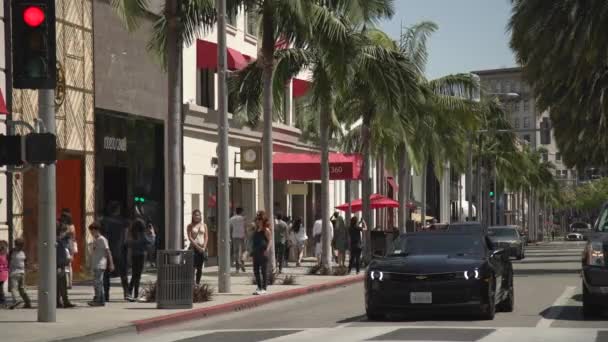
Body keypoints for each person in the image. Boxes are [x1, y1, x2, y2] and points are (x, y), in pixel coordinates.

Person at [101, 202, 129, 301]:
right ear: (118, 210)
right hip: (120, 250)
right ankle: (126, 293)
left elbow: (103, 236)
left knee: (106, 274)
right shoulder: (123, 222)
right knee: (123, 273)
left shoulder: (104, 221)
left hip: (108, 249)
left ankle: (106, 294)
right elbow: (126, 237)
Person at [88, 222, 114, 307]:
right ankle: (97, 298)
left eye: (92, 231)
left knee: (98, 283)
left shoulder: (102, 239)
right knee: (96, 283)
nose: (91, 233)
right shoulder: (95, 240)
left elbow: (108, 251)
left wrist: (111, 264)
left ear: (97, 230)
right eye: (90, 231)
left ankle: (100, 300)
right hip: (95, 264)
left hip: (100, 264)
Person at [127, 218, 151, 301]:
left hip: (134, 255)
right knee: (138, 275)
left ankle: (129, 291)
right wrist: (153, 234)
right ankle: (136, 294)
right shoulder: (143, 234)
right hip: (141, 255)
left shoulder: (132, 234)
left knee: (134, 275)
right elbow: (149, 242)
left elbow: (129, 244)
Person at [252, 211, 271, 295]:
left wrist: (267, 249)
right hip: (255, 252)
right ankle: (259, 287)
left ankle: (264, 288)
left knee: (263, 271)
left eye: (260, 219)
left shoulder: (266, 230)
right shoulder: (256, 230)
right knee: (255, 270)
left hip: (263, 252)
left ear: (263, 220)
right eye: (257, 219)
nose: (258, 221)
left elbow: (270, 241)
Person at [56, 223, 75, 308]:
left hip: (61, 265)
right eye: (64, 231)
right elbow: (60, 255)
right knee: (61, 284)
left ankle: (60, 301)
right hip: (59, 265)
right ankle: (62, 301)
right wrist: (65, 262)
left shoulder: (61, 240)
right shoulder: (58, 242)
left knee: (61, 284)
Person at [9, 238, 31, 309]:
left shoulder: (12, 251)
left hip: (15, 273)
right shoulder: (23, 252)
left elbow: (8, 259)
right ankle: (27, 302)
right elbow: (26, 261)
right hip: (21, 272)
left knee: (13, 288)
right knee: (21, 289)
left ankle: (16, 300)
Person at [187, 209, 208, 285]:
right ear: (192, 216)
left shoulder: (204, 225)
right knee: (193, 267)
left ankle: (197, 283)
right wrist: (197, 247)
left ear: (200, 216)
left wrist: (204, 247)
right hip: (193, 248)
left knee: (199, 267)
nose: (197, 216)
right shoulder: (190, 226)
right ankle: (192, 283)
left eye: (198, 215)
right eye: (195, 215)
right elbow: (190, 237)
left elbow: (206, 237)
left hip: (202, 249)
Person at [59, 209, 78, 289]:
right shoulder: (71, 226)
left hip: (67, 245)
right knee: (68, 265)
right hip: (69, 244)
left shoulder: (68, 227)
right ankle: (68, 282)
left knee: (67, 264)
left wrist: (64, 233)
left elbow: (68, 236)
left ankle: (69, 283)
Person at [230, 208, 247, 273]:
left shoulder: (232, 219)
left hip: (235, 236)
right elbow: (245, 227)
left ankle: (237, 268)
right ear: (241, 212)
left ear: (235, 211)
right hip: (242, 236)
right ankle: (242, 261)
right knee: (244, 250)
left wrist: (230, 236)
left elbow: (230, 228)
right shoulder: (243, 218)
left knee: (236, 252)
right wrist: (246, 235)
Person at [0, 240, 8, 305]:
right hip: (4, 273)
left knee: (0, 288)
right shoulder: (5, 255)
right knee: (1, 287)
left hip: (1, 273)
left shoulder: (2, 256)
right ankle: (2, 301)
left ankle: (3, 301)